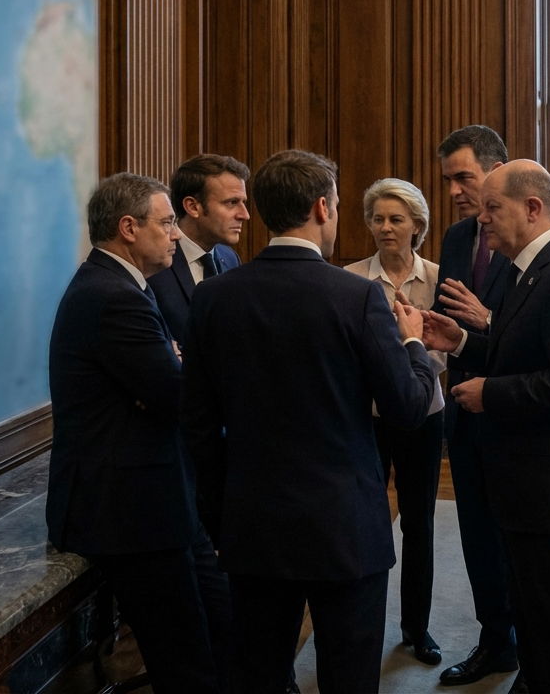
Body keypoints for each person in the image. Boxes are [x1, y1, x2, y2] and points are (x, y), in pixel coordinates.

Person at [182, 149, 437, 694]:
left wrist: (222, 512)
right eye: (341, 205)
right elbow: (408, 409)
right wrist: (414, 343)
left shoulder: (213, 299)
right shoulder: (358, 297)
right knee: (348, 676)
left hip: (252, 525)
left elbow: (198, 427)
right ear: (323, 208)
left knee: (261, 676)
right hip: (345, 527)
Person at [423, 160, 550, 693]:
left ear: (533, 209)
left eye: (493, 207)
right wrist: (461, 343)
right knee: (534, 618)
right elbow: (517, 350)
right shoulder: (525, 269)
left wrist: (491, 392)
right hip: (528, 481)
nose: (481, 219)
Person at [45, 172, 228, 694]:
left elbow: (169, 386)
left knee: (218, 624)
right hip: (129, 511)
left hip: (161, 495)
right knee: (184, 658)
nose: (175, 233)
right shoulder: (112, 295)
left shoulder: (122, 285)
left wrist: (174, 370)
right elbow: (177, 394)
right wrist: (175, 373)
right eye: (167, 222)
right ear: (128, 227)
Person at [345, 178, 447, 667]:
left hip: (425, 415)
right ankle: (363, 624)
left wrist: (411, 356)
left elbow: (447, 351)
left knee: (420, 524)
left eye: (396, 219)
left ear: (417, 226)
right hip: (368, 417)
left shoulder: (439, 280)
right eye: (378, 218)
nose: (385, 228)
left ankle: (416, 627)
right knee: (366, 520)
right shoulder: (350, 280)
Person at [148, 153, 250, 348]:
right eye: (231, 203)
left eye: (243, 202)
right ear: (193, 206)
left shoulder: (230, 258)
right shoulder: (154, 261)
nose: (244, 215)